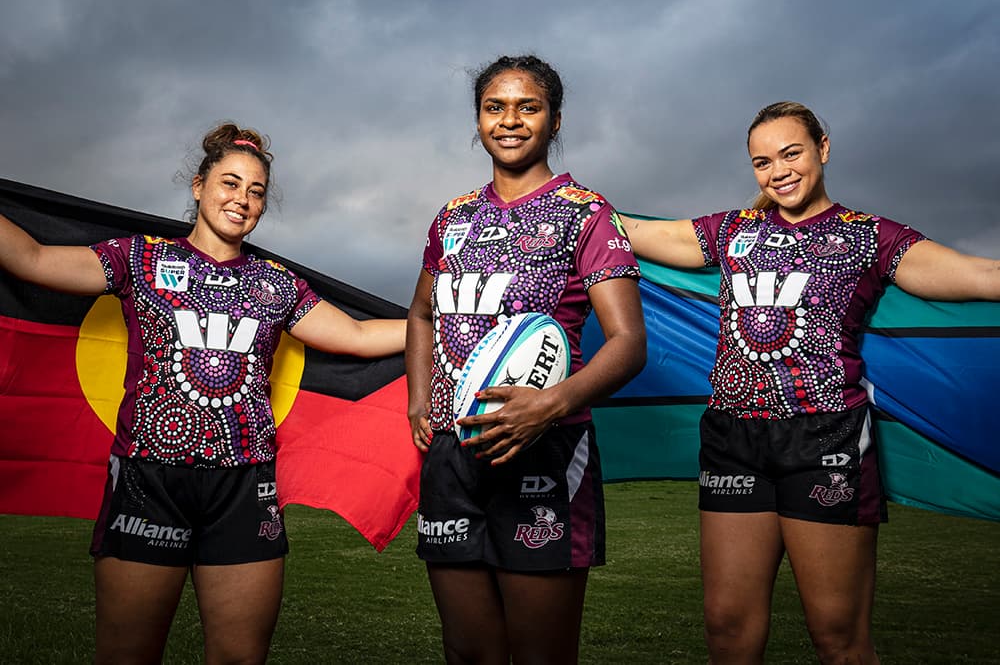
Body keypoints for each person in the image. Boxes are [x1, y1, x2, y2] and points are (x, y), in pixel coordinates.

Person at [0, 123, 406, 664]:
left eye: (255, 191)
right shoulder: (137, 259)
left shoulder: (275, 283)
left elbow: (355, 336)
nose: (241, 199)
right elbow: (30, 258)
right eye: (230, 183)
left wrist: (448, 318)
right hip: (149, 481)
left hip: (244, 487)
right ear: (198, 186)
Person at [623, 101, 1000, 664]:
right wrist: (566, 206)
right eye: (762, 161)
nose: (778, 171)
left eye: (791, 153)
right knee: (727, 631)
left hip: (826, 441)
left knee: (838, 639)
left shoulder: (869, 237)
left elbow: (978, 275)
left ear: (823, 146)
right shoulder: (730, 231)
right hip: (732, 441)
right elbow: (627, 232)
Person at [405, 55, 646, 664]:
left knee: (541, 655)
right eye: (495, 107)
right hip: (452, 460)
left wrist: (549, 406)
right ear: (478, 120)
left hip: (545, 453)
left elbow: (629, 344)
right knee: (468, 650)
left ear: (554, 120)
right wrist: (417, 400)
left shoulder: (586, 213)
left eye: (527, 107)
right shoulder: (453, 218)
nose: (510, 120)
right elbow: (421, 315)